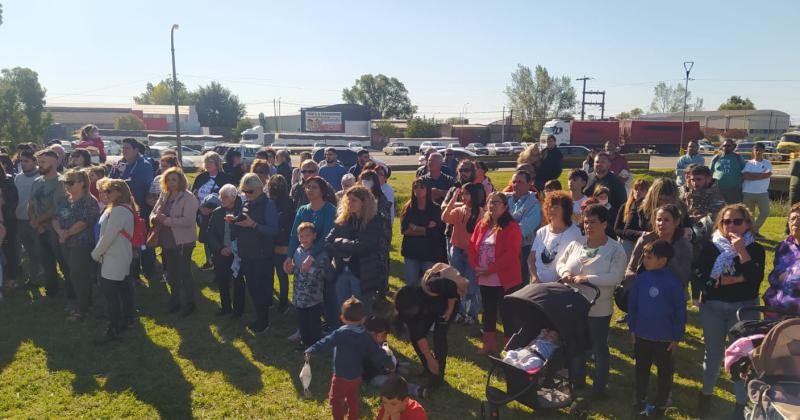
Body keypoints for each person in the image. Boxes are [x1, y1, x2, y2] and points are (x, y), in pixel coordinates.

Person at [693, 204, 765, 417]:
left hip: (744, 310)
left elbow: (753, 282)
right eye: (726, 221)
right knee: (713, 353)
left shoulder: (755, 249)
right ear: (720, 224)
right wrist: (737, 278)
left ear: (747, 224)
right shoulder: (710, 247)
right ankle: (706, 394)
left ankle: (741, 404)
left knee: (743, 357)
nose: (731, 226)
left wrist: (742, 252)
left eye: (737, 221)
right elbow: (701, 278)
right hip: (713, 308)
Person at [556, 204, 626, 397]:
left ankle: (599, 387)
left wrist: (587, 279)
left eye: (593, 222)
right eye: (586, 222)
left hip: (599, 308)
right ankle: (577, 382)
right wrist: (566, 272)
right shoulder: (576, 243)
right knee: (576, 344)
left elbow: (615, 277)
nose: (588, 226)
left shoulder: (614, 249)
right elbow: (561, 262)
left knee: (598, 346)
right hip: (574, 305)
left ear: (604, 223)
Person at [304, 297, 393, 420]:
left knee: (336, 401)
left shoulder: (340, 333)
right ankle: (354, 417)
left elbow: (326, 342)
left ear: (342, 318)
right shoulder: (365, 336)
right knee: (353, 397)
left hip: (341, 375)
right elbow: (376, 352)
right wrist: (388, 362)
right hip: (356, 375)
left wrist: (311, 349)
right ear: (363, 319)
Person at [627, 240, 687, 417]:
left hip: (665, 339)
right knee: (641, 369)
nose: (645, 260)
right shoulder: (640, 280)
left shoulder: (674, 284)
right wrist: (632, 329)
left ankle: (661, 402)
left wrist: (676, 337)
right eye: (644, 256)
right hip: (642, 336)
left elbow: (680, 311)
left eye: (649, 257)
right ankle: (640, 398)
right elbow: (633, 306)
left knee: (664, 371)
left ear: (662, 261)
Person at [469, 192, 523, 355]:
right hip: (485, 278)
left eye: (496, 203)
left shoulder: (511, 226)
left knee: (507, 314)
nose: (491, 205)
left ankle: (509, 348)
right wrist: (476, 267)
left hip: (505, 279)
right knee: (488, 311)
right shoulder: (482, 224)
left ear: (505, 207)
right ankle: (488, 345)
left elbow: (511, 254)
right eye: (489, 202)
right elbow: (472, 246)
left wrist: (489, 269)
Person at [394, 263, 465, 387]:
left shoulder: (432, 284)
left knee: (439, 336)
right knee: (415, 338)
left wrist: (449, 309)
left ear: (415, 302)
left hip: (446, 303)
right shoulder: (405, 309)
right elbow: (418, 336)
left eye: (411, 311)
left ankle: (439, 376)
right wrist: (430, 359)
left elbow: (451, 288)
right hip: (428, 309)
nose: (411, 314)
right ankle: (429, 369)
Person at [285, 176, 338, 330]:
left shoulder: (329, 209)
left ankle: (330, 325)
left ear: (322, 190)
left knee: (323, 292)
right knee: (302, 289)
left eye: (314, 187)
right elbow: (294, 235)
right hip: (303, 254)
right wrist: (289, 257)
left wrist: (312, 256)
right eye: (308, 187)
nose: (309, 190)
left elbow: (326, 238)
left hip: (323, 254)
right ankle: (304, 328)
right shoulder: (303, 209)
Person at [325, 185, 387, 313]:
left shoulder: (375, 220)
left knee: (363, 310)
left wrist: (340, 242)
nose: (349, 203)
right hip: (342, 269)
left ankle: (366, 333)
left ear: (364, 202)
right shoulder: (344, 218)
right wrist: (344, 252)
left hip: (362, 272)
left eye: (354, 200)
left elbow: (363, 246)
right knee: (343, 309)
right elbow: (328, 241)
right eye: (348, 200)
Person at [232, 173, 278, 334]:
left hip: (262, 255)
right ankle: (260, 318)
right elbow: (242, 219)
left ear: (259, 189)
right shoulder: (246, 203)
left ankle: (264, 321)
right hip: (246, 253)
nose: (246, 194)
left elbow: (273, 231)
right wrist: (235, 220)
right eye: (244, 191)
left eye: (250, 191)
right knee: (252, 287)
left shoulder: (268, 205)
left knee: (261, 288)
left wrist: (254, 225)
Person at [91, 179, 135, 344]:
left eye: (108, 191)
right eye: (103, 191)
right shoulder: (121, 208)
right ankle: (126, 321)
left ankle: (113, 328)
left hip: (113, 258)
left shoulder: (118, 211)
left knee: (111, 297)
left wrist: (96, 254)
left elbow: (108, 236)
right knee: (123, 292)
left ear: (119, 192)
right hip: (119, 257)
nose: (104, 194)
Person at [151, 167, 200, 317]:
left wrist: (166, 220)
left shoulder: (189, 197)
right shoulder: (165, 194)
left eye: (174, 180)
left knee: (184, 272)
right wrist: (153, 218)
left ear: (181, 181)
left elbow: (188, 220)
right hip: (167, 239)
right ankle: (175, 300)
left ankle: (190, 303)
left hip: (183, 240)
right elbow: (154, 211)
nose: (171, 183)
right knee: (171, 272)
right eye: (168, 180)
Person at [53, 169, 100, 321]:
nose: (67, 186)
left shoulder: (89, 201)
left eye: (71, 182)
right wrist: (60, 231)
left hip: (81, 244)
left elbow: (85, 222)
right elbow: (55, 217)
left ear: (82, 183)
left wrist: (66, 233)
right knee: (71, 273)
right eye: (66, 182)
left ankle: (83, 309)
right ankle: (81, 302)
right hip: (64, 242)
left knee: (79, 275)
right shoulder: (65, 200)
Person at [442, 182, 485, 324]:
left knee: (471, 283)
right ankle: (459, 312)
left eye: (466, 193)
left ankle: (472, 314)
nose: (464, 196)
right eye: (462, 193)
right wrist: (453, 200)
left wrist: (470, 249)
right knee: (458, 282)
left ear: (473, 195)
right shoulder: (460, 210)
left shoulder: (480, 213)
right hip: (457, 249)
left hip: (471, 253)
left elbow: (481, 235)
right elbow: (445, 217)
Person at [625, 204, 694, 291]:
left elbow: (684, 275)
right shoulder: (645, 240)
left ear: (676, 222)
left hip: (672, 292)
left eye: (666, 220)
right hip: (644, 289)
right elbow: (631, 267)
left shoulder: (684, 245)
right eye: (659, 220)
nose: (661, 223)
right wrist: (634, 280)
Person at [29, 149, 68, 297]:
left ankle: (71, 292)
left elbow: (56, 207)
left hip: (56, 230)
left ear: (55, 162)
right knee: (46, 262)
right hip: (39, 229)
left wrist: (38, 221)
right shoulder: (37, 181)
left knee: (63, 262)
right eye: (39, 162)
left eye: (43, 162)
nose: (39, 165)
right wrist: (35, 222)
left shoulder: (62, 182)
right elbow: (31, 204)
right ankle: (51, 290)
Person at [206, 184, 245, 317]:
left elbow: (244, 233)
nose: (221, 200)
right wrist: (220, 248)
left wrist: (232, 248)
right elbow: (210, 233)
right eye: (221, 197)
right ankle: (225, 307)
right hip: (221, 253)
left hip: (238, 253)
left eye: (225, 197)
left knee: (238, 282)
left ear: (234, 197)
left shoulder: (242, 212)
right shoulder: (217, 212)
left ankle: (238, 310)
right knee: (222, 281)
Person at [292, 222, 331, 348]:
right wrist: (290, 267)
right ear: (298, 237)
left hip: (313, 296)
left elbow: (325, 271)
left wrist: (309, 270)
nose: (304, 239)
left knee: (313, 321)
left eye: (308, 235)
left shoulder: (319, 253)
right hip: (299, 295)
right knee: (302, 321)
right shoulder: (297, 251)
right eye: (301, 236)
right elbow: (295, 267)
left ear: (314, 236)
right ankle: (304, 340)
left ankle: (315, 343)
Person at [528, 191, 582, 284]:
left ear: (566, 210)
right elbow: (531, 259)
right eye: (549, 206)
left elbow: (576, 264)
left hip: (562, 287)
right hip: (538, 285)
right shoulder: (541, 232)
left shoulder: (575, 233)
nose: (551, 209)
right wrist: (534, 277)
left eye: (556, 207)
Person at [401, 178, 446, 286]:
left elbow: (436, 232)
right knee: (412, 284)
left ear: (428, 190)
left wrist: (416, 228)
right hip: (411, 253)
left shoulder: (435, 209)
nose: (418, 190)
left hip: (429, 253)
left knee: (429, 285)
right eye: (415, 187)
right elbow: (405, 230)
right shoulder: (408, 208)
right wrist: (426, 230)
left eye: (422, 187)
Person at [192, 152, 233, 271]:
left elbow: (229, 196)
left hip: (219, 214)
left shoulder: (225, 178)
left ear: (217, 163)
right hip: (202, 213)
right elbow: (193, 194)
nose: (207, 164)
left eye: (210, 162)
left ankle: (220, 261)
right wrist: (201, 208)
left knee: (217, 237)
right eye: (206, 161)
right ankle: (209, 261)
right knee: (206, 236)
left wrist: (213, 209)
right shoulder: (201, 177)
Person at [506, 171, 542, 284]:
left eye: (520, 182)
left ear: (530, 184)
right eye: (514, 182)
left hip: (523, 249)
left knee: (519, 284)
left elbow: (522, 230)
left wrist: (502, 230)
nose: (516, 185)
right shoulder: (506, 199)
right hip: (503, 248)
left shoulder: (534, 205)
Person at [763, 204, 800, 314]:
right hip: (776, 310)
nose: (795, 222)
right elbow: (776, 278)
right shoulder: (784, 246)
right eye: (793, 218)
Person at [267, 174, 294, 313]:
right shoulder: (269, 201)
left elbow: (285, 221)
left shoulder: (288, 202)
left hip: (281, 243)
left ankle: (283, 302)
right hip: (270, 242)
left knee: (282, 274)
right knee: (270, 273)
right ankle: (270, 298)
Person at [583, 152, 627, 236]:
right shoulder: (587, 178)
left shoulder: (616, 182)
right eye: (597, 162)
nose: (599, 164)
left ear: (609, 164)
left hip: (608, 226)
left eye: (603, 162)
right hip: (587, 223)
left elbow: (623, 206)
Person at [14, 149, 39, 286]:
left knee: (38, 250)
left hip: (36, 221)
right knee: (29, 251)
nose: (23, 164)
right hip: (21, 219)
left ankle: (38, 277)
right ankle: (34, 276)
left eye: (26, 161)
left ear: (35, 162)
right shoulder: (18, 177)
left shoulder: (40, 177)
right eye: (21, 161)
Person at [741, 142, 772, 239]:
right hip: (748, 192)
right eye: (756, 150)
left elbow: (767, 174)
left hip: (762, 192)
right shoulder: (749, 163)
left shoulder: (767, 163)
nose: (757, 152)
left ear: (763, 151)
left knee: (765, 212)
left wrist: (752, 175)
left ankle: (753, 230)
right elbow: (745, 176)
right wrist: (760, 175)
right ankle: (755, 233)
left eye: (759, 149)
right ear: (753, 151)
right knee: (750, 215)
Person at [614, 179, 651, 256]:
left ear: (647, 192)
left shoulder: (650, 208)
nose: (638, 192)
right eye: (636, 189)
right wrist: (634, 234)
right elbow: (617, 229)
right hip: (626, 241)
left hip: (643, 242)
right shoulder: (625, 206)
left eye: (641, 190)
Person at [710, 138, 745, 204]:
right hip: (718, 190)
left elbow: (744, 172)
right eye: (724, 145)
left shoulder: (738, 157)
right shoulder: (716, 158)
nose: (726, 147)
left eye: (728, 146)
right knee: (719, 209)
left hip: (734, 191)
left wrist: (739, 184)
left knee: (734, 209)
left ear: (733, 147)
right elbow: (710, 173)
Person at [0, 162, 18, 281]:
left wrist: (2, 201)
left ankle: (11, 275)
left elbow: (14, 201)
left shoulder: (8, 181)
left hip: (7, 220)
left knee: (9, 248)